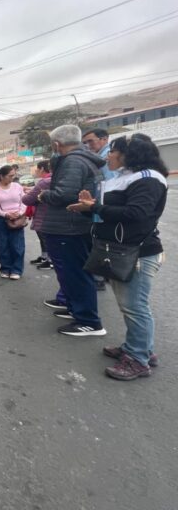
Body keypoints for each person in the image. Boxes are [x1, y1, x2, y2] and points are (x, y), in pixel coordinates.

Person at [68, 135, 168, 379]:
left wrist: (93, 208)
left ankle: (138, 359)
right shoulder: (123, 178)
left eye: (112, 151)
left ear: (128, 154)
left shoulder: (148, 179)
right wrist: (88, 209)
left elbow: (136, 213)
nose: (107, 156)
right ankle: (141, 348)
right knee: (131, 306)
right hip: (119, 250)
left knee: (135, 307)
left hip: (136, 254)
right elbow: (109, 215)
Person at [38, 124, 106, 337]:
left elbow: (63, 195)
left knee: (75, 273)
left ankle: (89, 321)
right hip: (71, 226)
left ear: (57, 144)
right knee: (71, 273)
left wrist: (43, 196)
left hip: (69, 227)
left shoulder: (73, 162)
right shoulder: (79, 160)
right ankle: (76, 308)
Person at [82, 128, 119, 292]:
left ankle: (99, 278)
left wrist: (99, 207)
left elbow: (109, 186)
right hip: (100, 209)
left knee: (101, 244)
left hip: (103, 209)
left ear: (104, 139)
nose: (88, 145)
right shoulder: (100, 157)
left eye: (91, 141)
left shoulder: (106, 159)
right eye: (86, 142)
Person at [0, 165, 27, 280]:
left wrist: (19, 213)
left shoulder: (17, 186)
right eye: (10, 176)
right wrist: (5, 214)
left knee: (17, 245)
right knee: (2, 245)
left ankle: (16, 269)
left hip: (17, 218)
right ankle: (5, 268)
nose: (12, 178)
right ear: (1, 176)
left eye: (13, 175)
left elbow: (24, 201)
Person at [23, 160, 53, 269]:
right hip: (48, 214)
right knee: (44, 238)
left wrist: (25, 195)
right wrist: (31, 190)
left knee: (45, 237)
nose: (36, 170)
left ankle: (50, 260)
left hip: (43, 214)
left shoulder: (44, 182)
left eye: (37, 168)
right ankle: (45, 256)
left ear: (42, 169)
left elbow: (29, 199)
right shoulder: (53, 179)